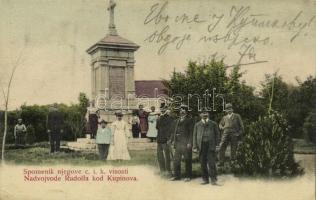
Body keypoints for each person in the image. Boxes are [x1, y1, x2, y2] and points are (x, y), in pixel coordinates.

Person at [193, 110, 220, 185]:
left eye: (206, 113)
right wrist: (195, 147)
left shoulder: (213, 123)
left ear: (209, 114)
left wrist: (217, 145)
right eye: (203, 113)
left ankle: (213, 180)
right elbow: (194, 136)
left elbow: (217, 135)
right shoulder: (197, 125)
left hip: (210, 145)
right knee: (203, 163)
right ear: (200, 115)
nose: (205, 114)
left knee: (211, 163)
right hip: (201, 146)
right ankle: (205, 179)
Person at [169, 105, 194, 182]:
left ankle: (188, 176)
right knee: (176, 160)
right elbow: (173, 132)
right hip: (178, 143)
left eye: (183, 110)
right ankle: (177, 176)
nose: (182, 111)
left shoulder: (190, 120)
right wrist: (171, 140)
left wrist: (190, 142)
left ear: (186, 111)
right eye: (180, 110)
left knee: (187, 160)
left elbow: (191, 133)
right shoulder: (176, 121)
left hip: (186, 143)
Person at [156, 108, 173, 176]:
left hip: (166, 139)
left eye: (164, 110)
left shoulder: (169, 118)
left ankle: (168, 170)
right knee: (159, 155)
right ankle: (162, 170)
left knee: (167, 155)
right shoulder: (159, 118)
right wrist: (159, 118)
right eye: (161, 110)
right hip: (159, 138)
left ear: (166, 111)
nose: (162, 111)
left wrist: (169, 138)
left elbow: (171, 129)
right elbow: (157, 127)